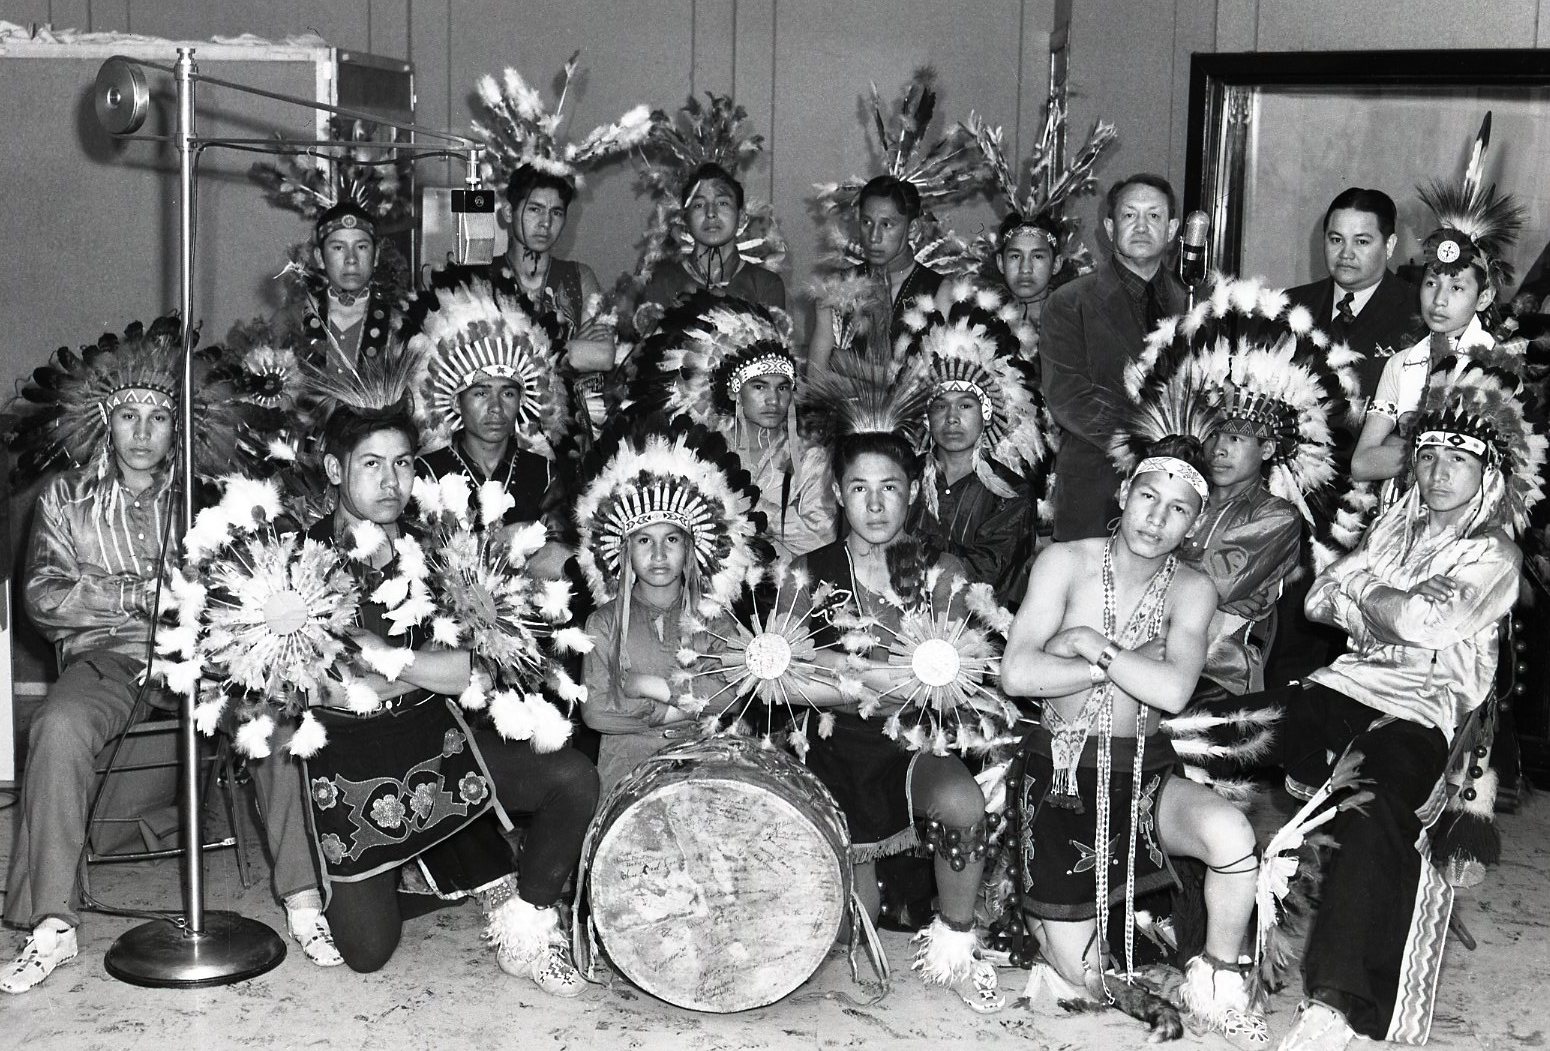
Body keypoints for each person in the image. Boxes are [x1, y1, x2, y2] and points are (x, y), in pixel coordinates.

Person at [0, 320, 329, 990]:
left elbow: (239, 584)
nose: (144, 430)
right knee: (58, 726)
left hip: (206, 657)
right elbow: (43, 596)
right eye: (128, 414)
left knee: (276, 715)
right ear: (103, 422)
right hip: (108, 660)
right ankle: (53, 926)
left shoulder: (204, 497)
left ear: (179, 426)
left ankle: (304, 898)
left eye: (158, 414)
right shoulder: (67, 498)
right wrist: (144, 594)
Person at [1231, 356, 1540, 1051]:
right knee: (1230, 733)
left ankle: (1338, 1005)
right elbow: (1317, 596)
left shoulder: (1493, 553)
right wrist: (1384, 600)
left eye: (1458, 456)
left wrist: (1364, 595)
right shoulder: (1394, 526)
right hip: (1345, 686)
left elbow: (1427, 626)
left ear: (1488, 471)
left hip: (1422, 712)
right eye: (1427, 453)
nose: (1437, 469)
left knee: (1372, 809)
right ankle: (1180, 935)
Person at [297, 383, 598, 992]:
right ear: (334, 469)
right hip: (350, 761)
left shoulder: (438, 547)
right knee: (368, 953)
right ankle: (436, 873)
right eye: (372, 465)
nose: (391, 481)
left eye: (403, 463)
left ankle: (529, 920)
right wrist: (417, 667)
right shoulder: (298, 555)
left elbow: (470, 668)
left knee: (573, 778)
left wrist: (383, 655)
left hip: (441, 741)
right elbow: (320, 689)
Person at [1000, 437, 1266, 1045]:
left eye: (1178, 508)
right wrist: (1122, 664)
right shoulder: (1063, 562)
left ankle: (1220, 984)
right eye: (1148, 496)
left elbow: (1172, 693)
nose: (1156, 518)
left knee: (1232, 836)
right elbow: (1018, 675)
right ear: (1124, 493)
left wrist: (1091, 644)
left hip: (1146, 772)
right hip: (1061, 774)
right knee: (1085, 982)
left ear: (1195, 522)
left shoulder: (1193, 590)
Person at [776, 366, 1005, 1013]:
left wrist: (836, 670)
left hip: (906, 746)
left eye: (890, 488)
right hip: (823, 754)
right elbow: (776, 682)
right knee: (854, 927)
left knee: (962, 801)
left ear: (913, 492)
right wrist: (870, 679)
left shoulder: (940, 572)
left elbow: (961, 682)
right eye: (859, 488)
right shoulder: (805, 571)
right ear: (837, 495)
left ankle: (957, 947)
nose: (875, 505)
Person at [572, 422, 759, 792]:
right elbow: (596, 711)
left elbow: (731, 697)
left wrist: (652, 687)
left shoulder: (714, 620)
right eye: (644, 540)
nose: (659, 554)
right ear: (624, 551)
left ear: (690, 548)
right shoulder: (603, 623)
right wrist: (676, 713)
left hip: (703, 770)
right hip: (627, 776)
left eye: (671, 539)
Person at [1040, 174, 1188, 541]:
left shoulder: (1195, 303)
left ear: (1171, 229)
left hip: (1182, 488)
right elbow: (1068, 396)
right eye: (1129, 216)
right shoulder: (1070, 301)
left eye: (1154, 216)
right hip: (1097, 487)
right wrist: (1146, 445)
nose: (1141, 226)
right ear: (1109, 226)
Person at [643, 293, 836, 559]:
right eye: (759, 387)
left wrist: (759, 509)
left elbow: (822, 543)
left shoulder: (811, 458)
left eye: (782, 388)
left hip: (782, 589)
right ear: (735, 393)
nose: (773, 399)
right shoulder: (705, 450)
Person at [896, 282, 1050, 606]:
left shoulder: (1012, 495)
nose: (952, 417)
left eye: (965, 405)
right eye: (940, 405)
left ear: (987, 414)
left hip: (974, 636)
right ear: (926, 416)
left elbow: (984, 576)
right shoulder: (899, 479)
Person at [1284, 188, 1420, 399]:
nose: (1346, 254)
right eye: (1336, 240)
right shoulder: (1290, 305)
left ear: (1390, 245)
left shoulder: (1419, 311)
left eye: (1361, 242)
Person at [808, 176, 946, 374]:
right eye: (866, 222)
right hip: (837, 406)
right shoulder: (835, 289)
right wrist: (890, 381)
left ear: (912, 228)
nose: (874, 237)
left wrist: (852, 366)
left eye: (887, 225)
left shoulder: (939, 291)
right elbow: (815, 381)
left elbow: (936, 384)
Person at [637, 163, 787, 316]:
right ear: (685, 219)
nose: (711, 213)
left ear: (741, 218)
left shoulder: (765, 284)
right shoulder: (662, 282)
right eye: (699, 205)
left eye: (722, 203)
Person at [294, 193, 400, 372]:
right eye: (338, 247)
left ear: (376, 256)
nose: (351, 259)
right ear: (320, 258)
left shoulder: (397, 324)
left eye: (361, 247)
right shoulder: (293, 319)